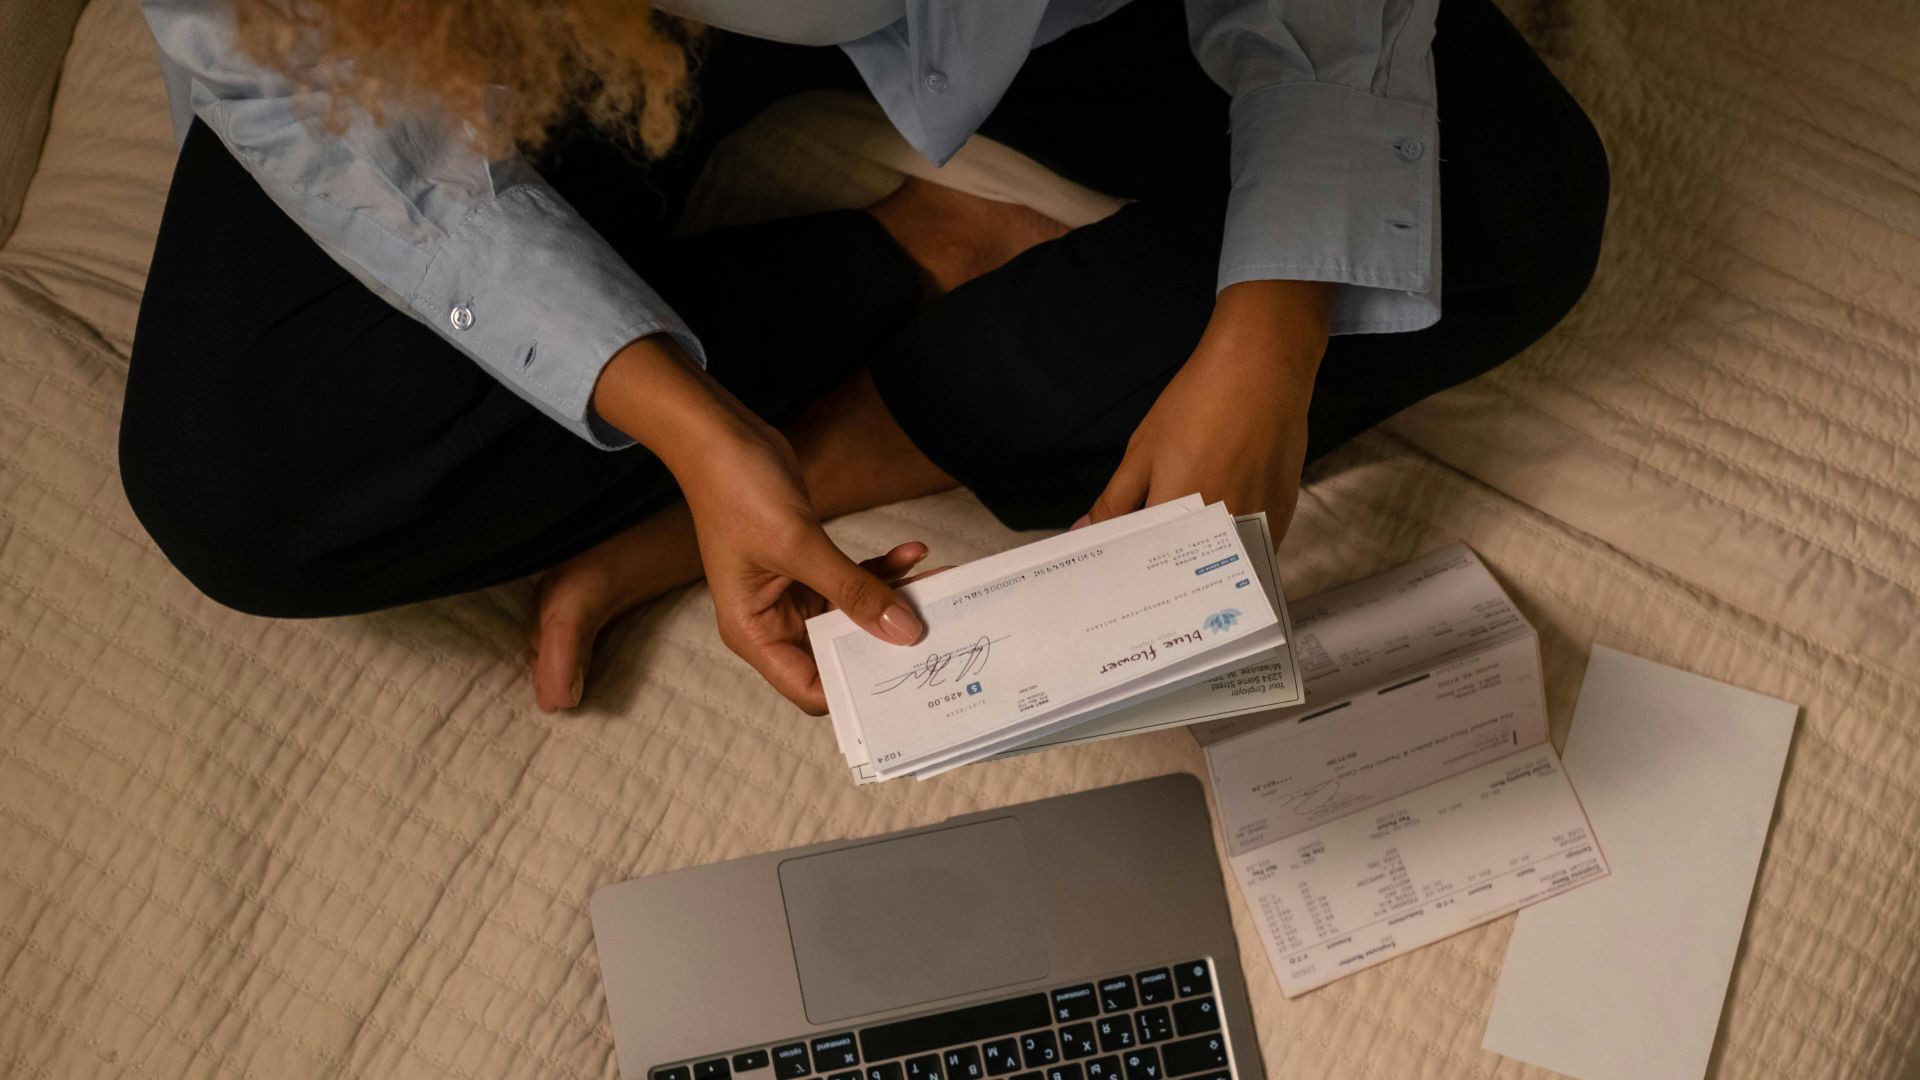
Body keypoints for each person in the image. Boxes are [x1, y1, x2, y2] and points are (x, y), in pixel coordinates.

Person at [125, 0, 1608, 715]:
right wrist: (694, 431)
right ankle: (907, 253)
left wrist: (1275, 320)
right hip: (522, 33)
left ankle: (850, 430)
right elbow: (294, 90)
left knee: (1497, 199)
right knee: (245, 483)